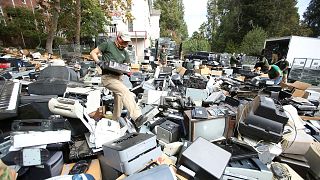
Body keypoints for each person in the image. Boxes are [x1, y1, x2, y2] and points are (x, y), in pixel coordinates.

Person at [90, 31, 146, 126]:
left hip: (118, 78)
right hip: (108, 77)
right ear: (118, 38)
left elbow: (127, 67)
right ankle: (137, 117)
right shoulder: (107, 45)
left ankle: (114, 124)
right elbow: (93, 53)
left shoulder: (125, 53)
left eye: (127, 42)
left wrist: (128, 72)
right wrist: (99, 62)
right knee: (125, 92)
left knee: (119, 102)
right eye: (124, 41)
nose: (125, 44)